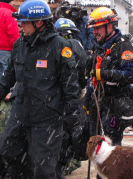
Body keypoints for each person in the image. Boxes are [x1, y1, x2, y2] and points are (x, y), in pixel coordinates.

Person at [0, 0, 80, 179]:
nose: (21, 26)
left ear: (39, 22)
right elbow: (9, 75)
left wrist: (71, 115)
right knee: (8, 151)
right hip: (21, 113)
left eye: (24, 22)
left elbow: (70, 85)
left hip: (47, 118)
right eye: (20, 22)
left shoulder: (59, 47)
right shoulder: (20, 45)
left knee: (45, 170)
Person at [84, 7, 133, 148]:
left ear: (109, 26)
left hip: (114, 105)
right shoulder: (98, 46)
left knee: (111, 151)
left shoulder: (123, 46)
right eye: (94, 28)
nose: (94, 32)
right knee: (96, 147)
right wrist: (87, 99)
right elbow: (92, 77)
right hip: (97, 103)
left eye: (98, 28)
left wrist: (104, 74)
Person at [54, 18, 88, 179]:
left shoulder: (55, 45)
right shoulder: (77, 45)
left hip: (58, 96)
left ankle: (58, 165)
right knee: (72, 127)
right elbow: (83, 69)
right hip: (74, 95)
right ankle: (66, 160)